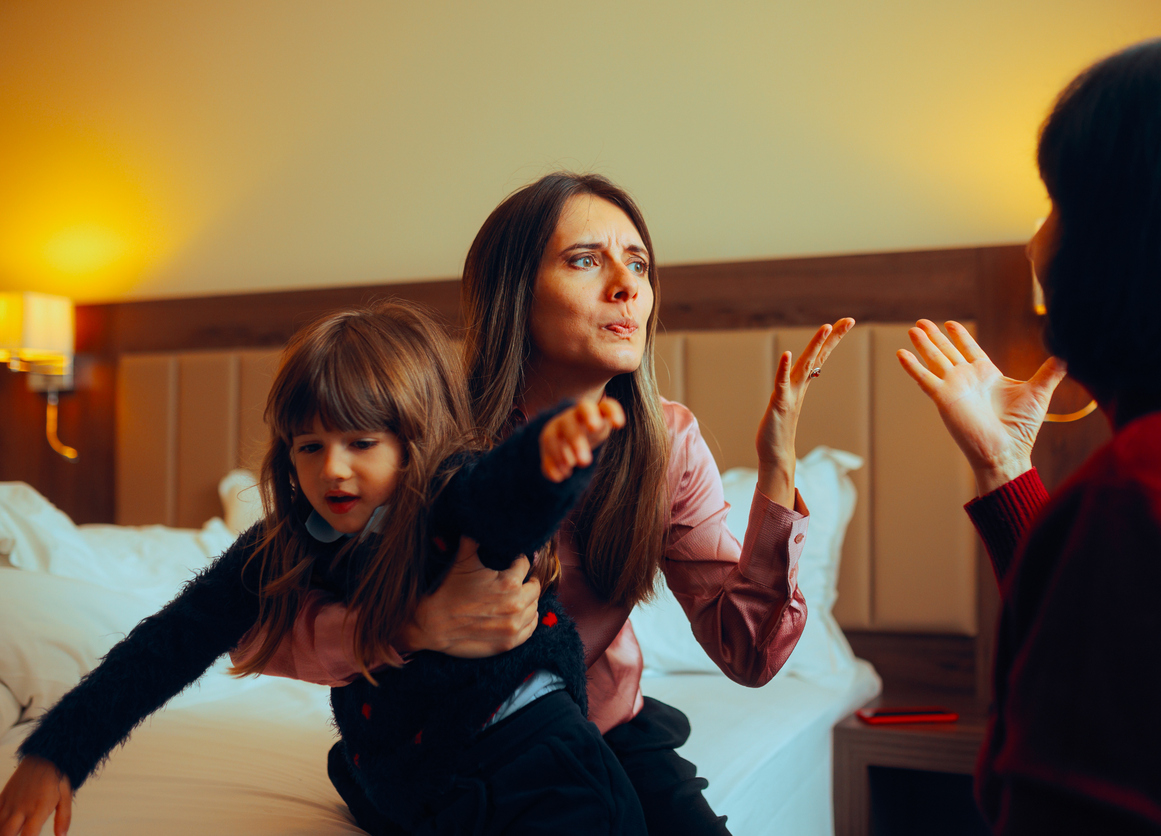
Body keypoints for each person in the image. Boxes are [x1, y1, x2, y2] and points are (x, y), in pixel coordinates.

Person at [247, 172, 854, 834]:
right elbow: (256, 623)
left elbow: (749, 654)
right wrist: (412, 626)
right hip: (458, 741)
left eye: (639, 264)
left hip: (606, 724)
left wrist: (777, 466)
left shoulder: (669, 443)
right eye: (586, 260)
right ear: (515, 294)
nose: (626, 286)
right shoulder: (436, 431)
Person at [0, 300, 650, 836]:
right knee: (360, 767)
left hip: (534, 758)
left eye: (361, 443)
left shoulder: (452, 498)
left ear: (415, 438)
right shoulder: (286, 541)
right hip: (408, 780)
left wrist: (550, 455)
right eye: (310, 446)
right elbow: (169, 643)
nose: (332, 469)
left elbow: (507, 497)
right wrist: (58, 752)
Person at [897, 29, 1161, 835]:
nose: (1035, 244)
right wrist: (1004, 466)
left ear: (1136, 240)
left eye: (1059, 203)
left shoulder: (1151, 496)